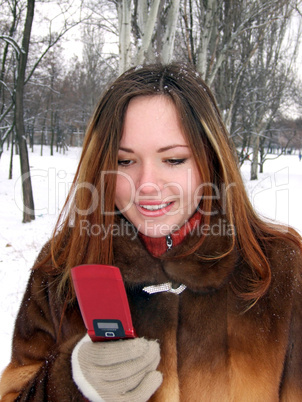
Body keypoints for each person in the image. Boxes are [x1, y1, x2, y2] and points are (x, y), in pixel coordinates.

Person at [1, 63, 302, 402]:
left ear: (211, 161)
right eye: (124, 161)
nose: (146, 186)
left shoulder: (280, 268)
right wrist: (72, 383)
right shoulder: (60, 266)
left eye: (173, 160)